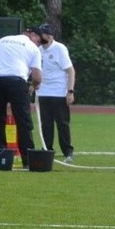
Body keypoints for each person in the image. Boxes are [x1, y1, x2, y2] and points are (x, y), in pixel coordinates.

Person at [0, 26, 43, 165]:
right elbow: (37, 77)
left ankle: (0, 156)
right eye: (39, 40)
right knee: (23, 121)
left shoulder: (2, 40)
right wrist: (35, 86)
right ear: (33, 35)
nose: (39, 44)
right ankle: (27, 159)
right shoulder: (33, 48)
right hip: (17, 82)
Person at [34, 23, 76, 162]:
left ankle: (67, 152)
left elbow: (70, 71)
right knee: (46, 123)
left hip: (58, 92)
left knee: (62, 123)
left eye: (43, 34)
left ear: (50, 36)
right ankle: (47, 150)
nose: (40, 37)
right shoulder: (38, 50)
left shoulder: (59, 48)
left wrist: (70, 91)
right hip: (43, 92)